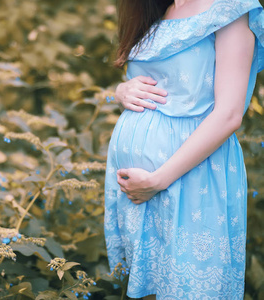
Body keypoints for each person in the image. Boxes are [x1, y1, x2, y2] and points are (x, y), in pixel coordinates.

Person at [104, 0, 264, 298]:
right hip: (142, 191)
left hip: (192, 178)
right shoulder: (155, 8)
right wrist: (121, 90)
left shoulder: (230, 9)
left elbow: (229, 114)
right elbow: (159, 82)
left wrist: (158, 180)